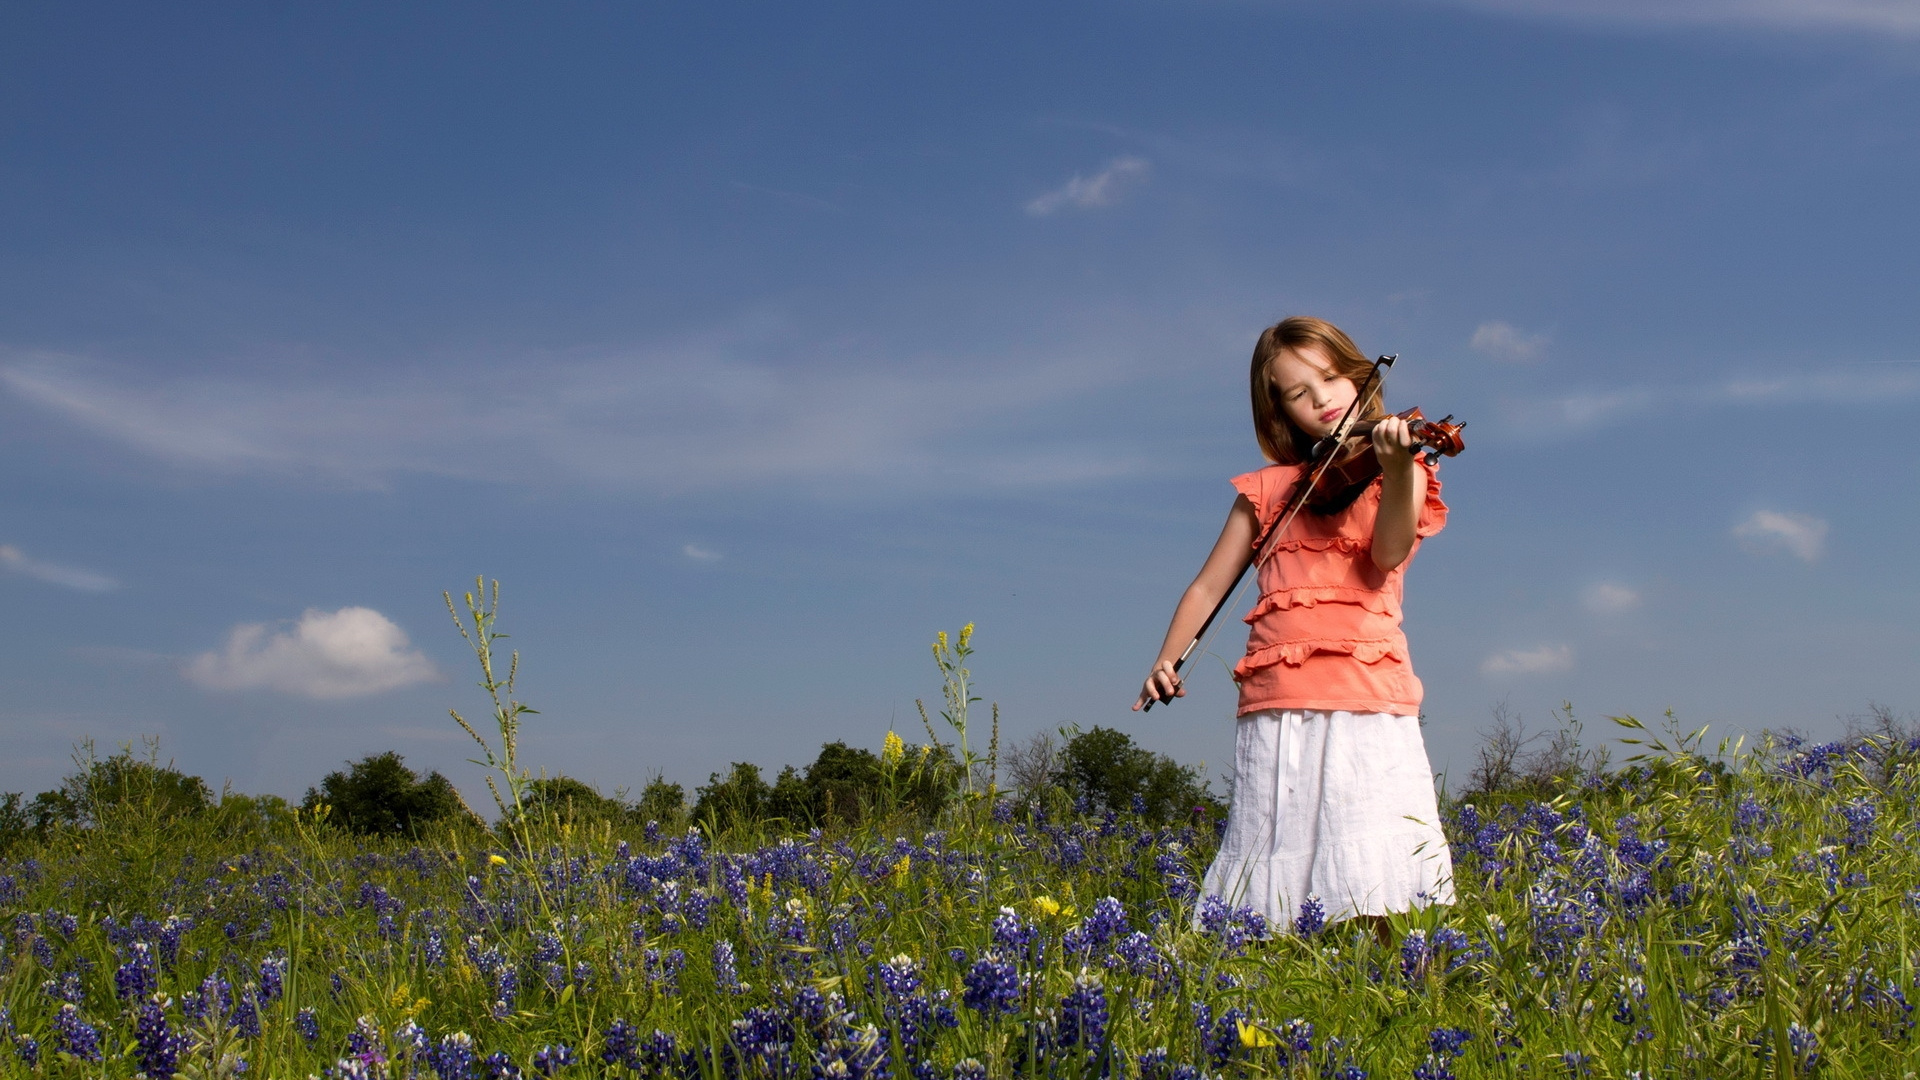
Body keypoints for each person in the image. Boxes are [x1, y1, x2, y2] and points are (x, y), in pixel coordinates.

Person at [1131, 315, 1453, 943]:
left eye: (1331, 379)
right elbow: (1207, 586)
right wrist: (1167, 658)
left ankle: (1387, 992)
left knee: (1377, 855)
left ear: (1359, 377)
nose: (1322, 399)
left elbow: (1386, 554)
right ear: (1278, 411)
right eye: (1298, 393)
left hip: (1365, 692)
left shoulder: (1402, 468)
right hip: (1277, 697)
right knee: (1276, 842)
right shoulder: (1272, 490)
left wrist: (1394, 469)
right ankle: (1282, 980)